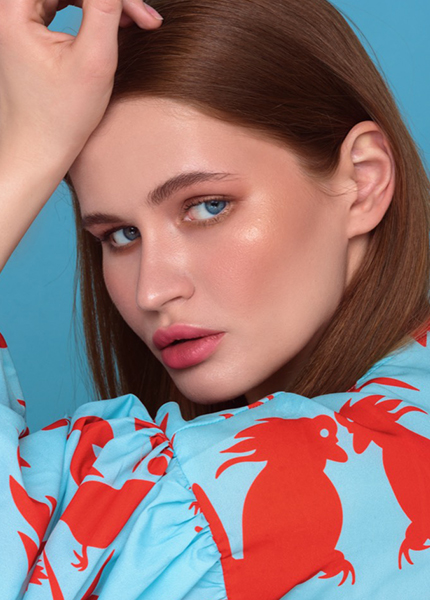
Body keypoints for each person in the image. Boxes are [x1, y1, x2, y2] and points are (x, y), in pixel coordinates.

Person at [1, 0, 430, 598]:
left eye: (208, 206)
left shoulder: (257, 496)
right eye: (120, 236)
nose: (153, 290)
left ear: (363, 181)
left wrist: (21, 157)